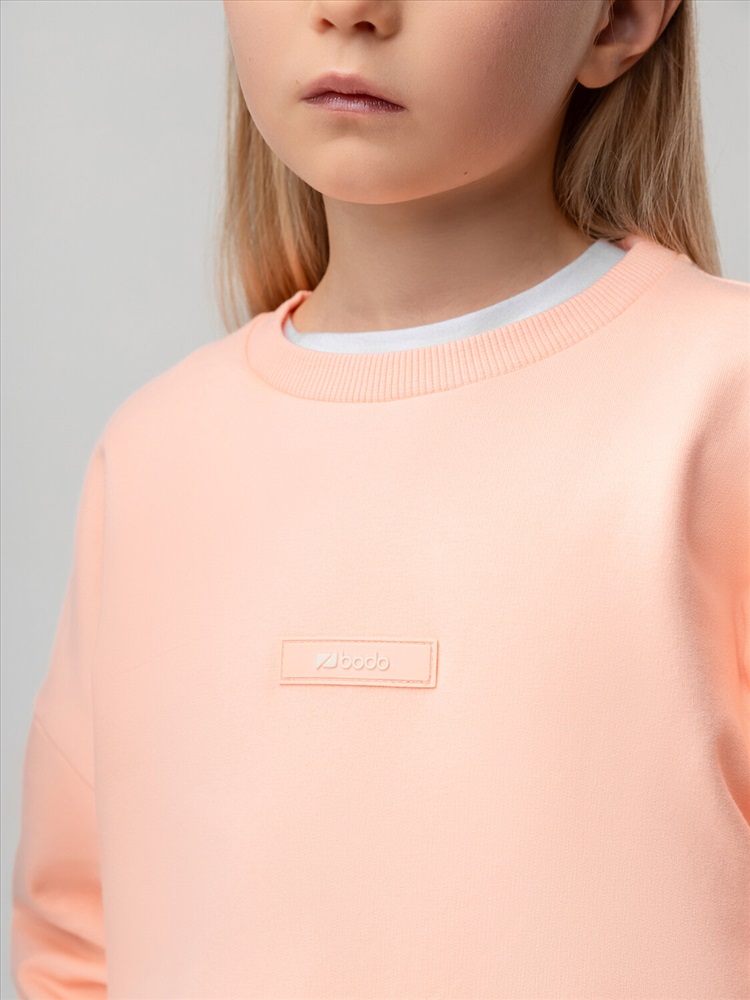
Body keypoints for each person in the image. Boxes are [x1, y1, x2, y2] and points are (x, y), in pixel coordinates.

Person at [10, 0, 749, 996]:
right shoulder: (153, 452)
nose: (351, 9)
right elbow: (76, 946)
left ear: (618, 19)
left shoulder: (723, 406)